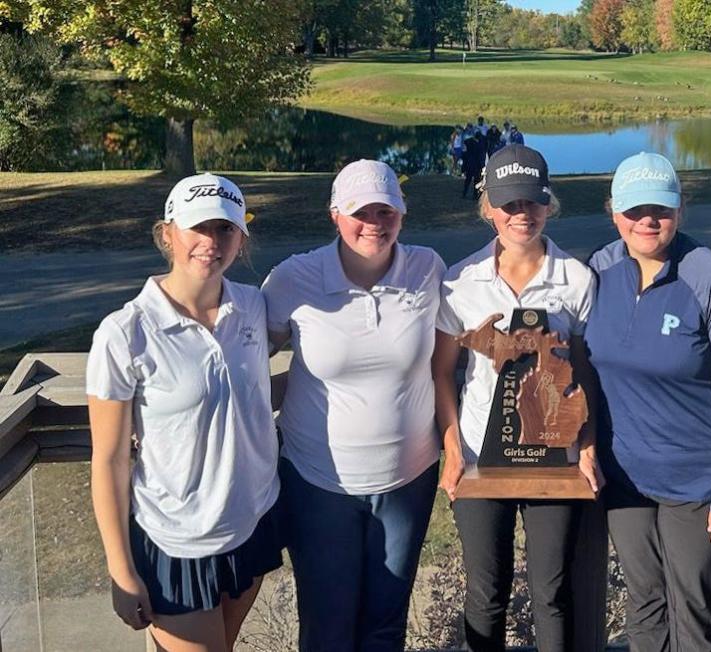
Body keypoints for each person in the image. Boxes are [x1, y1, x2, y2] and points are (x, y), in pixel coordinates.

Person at [87, 173, 281, 652]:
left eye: (225, 229)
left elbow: (253, 392)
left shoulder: (253, 307)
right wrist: (120, 569)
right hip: (174, 543)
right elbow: (110, 460)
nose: (211, 242)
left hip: (250, 523)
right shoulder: (125, 333)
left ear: (241, 237)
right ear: (167, 233)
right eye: (198, 228)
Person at [262, 159, 445, 651]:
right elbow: (246, 357)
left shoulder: (428, 269)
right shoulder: (293, 280)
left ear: (402, 215)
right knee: (327, 624)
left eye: (387, 212)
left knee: (386, 624)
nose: (375, 224)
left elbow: (452, 360)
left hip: (408, 479)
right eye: (361, 212)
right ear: (335, 215)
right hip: (318, 482)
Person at [584, 152, 711, 651]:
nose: (647, 220)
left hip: (697, 484)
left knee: (694, 611)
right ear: (613, 212)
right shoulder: (600, 268)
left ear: (680, 211)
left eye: (660, 209)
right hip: (625, 481)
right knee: (643, 604)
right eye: (634, 209)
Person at [434, 144, 601, 651]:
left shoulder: (576, 279)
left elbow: (587, 375)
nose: (520, 214)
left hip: (556, 459)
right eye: (507, 204)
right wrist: (453, 450)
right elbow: (442, 374)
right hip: (482, 458)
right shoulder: (460, 282)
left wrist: (588, 446)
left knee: (551, 591)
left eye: (531, 202)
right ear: (487, 208)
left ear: (549, 204)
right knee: (486, 592)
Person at [462, 130, 487, 200]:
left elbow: (465, 144)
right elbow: (481, 157)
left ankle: (464, 193)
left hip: (469, 164)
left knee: (468, 180)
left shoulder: (469, 142)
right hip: (477, 166)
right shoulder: (480, 145)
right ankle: (475, 195)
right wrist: (482, 166)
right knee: (476, 181)